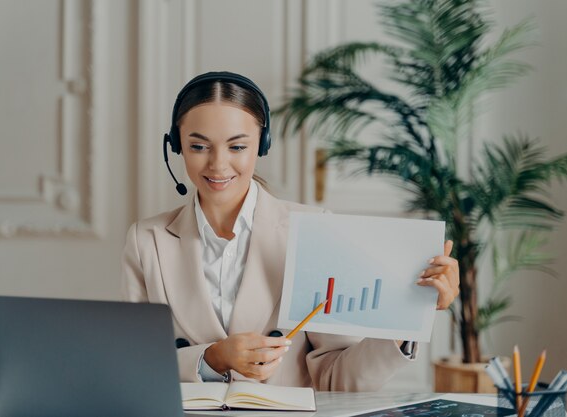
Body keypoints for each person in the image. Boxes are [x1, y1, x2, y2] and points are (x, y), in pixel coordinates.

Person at [121, 71, 460, 392]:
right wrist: (211, 359)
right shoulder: (146, 241)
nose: (218, 164)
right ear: (176, 146)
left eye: (237, 146)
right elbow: (131, 367)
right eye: (199, 146)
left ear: (262, 144)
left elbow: (337, 377)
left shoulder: (313, 231)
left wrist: (406, 318)